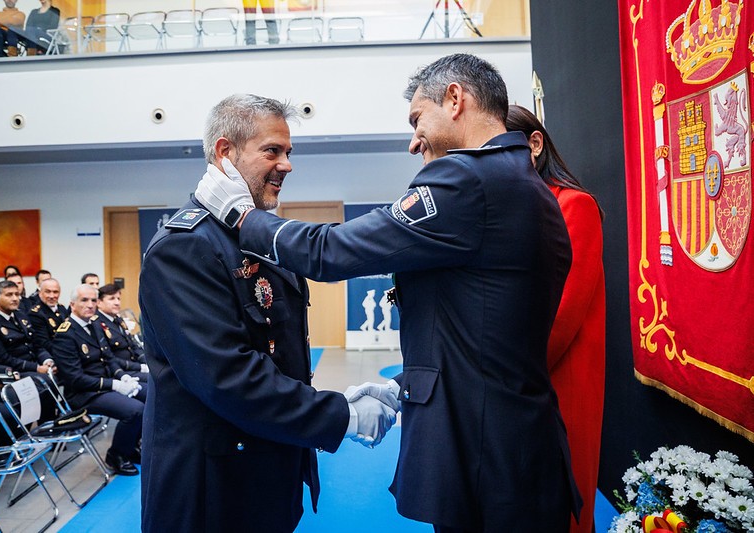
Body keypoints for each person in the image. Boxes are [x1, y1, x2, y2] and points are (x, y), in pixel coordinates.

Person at [212, 54, 582, 532]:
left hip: (482, 454)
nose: (413, 142)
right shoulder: (526, 184)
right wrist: (407, 383)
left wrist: (245, 219)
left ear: (455, 99)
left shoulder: (466, 179)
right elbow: (482, 327)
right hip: (516, 447)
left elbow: (331, 252)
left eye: (416, 119)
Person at [138, 94, 396, 532]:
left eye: (288, 152)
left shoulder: (254, 232)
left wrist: (334, 398)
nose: (287, 164)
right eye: (272, 150)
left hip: (266, 473)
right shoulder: (184, 247)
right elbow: (228, 377)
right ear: (225, 152)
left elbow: (278, 349)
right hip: (213, 493)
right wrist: (340, 416)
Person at [506, 104, 605, 533]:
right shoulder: (517, 207)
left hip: (556, 380)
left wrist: (500, 377)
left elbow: (562, 315)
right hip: (519, 381)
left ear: (534, 144)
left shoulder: (575, 206)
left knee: (560, 508)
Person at [51, 284, 145, 476]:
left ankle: (131, 446)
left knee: (150, 394)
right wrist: (114, 384)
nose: (90, 305)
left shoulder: (94, 325)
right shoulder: (65, 334)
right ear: (72, 305)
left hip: (104, 384)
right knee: (135, 410)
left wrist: (122, 375)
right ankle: (116, 455)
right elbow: (75, 379)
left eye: (93, 300)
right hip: (84, 394)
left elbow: (108, 357)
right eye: (84, 300)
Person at [0, 280, 55, 377]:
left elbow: (36, 345)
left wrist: (47, 360)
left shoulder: (21, 315)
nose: (15, 298)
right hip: (14, 372)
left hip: (35, 364)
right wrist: (36, 367)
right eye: (9, 295)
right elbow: (3, 358)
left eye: (17, 294)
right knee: (47, 380)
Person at [96, 283, 148, 379]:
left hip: (133, 367)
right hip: (120, 372)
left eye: (118, 298)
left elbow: (133, 345)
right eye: (112, 299)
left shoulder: (118, 320)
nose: (117, 302)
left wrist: (146, 362)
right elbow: (109, 357)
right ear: (99, 303)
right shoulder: (97, 323)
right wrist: (140, 367)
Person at [28, 277, 68, 353]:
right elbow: (43, 343)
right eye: (48, 292)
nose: (52, 296)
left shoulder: (62, 308)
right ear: (40, 293)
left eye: (55, 292)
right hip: (54, 353)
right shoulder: (35, 313)